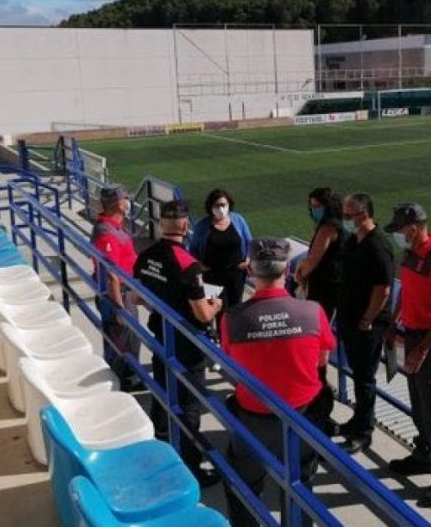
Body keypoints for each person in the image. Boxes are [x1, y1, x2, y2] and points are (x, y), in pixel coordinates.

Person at [221, 237, 336, 527]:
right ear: (286, 270)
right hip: (302, 417)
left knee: (244, 488)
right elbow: (322, 359)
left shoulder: (232, 318)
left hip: (252, 418)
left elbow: (230, 366)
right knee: (299, 488)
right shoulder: (313, 311)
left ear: (251, 271)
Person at [133, 199, 224, 487]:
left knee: (162, 392)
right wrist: (216, 304)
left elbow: (138, 296)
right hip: (187, 345)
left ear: (162, 224)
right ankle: (189, 469)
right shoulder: (188, 264)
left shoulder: (145, 256)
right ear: (186, 226)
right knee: (189, 406)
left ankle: (161, 448)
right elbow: (203, 313)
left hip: (160, 336)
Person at [383, 202, 431, 508]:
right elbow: (406, 291)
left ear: (413, 229)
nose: (398, 236)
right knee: (419, 407)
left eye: (400, 230)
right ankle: (426, 454)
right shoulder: (411, 255)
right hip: (413, 339)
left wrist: (423, 349)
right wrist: (394, 321)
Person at [335, 193, 394, 454]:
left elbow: (383, 289)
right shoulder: (353, 241)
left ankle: (364, 431)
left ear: (364, 215)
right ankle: (358, 420)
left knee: (365, 378)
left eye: (348, 216)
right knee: (357, 374)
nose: (345, 220)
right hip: (350, 318)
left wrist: (368, 319)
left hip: (366, 324)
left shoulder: (377, 245)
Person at [91, 185, 141, 389]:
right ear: (118, 203)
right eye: (125, 198)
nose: (127, 202)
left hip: (122, 292)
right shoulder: (107, 234)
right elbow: (111, 275)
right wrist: (119, 308)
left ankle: (128, 379)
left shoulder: (114, 227)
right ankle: (124, 383)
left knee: (127, 339)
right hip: (117, 295)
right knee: (123, 340)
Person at [189, 188, 252, 309]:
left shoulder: (238, 220)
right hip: (213, 276)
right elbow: (192, 250)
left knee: (235, 309)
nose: (220, 208)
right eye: (216, 205)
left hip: (236, 275)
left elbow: (250, 242)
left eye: (223, 205)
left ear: (229, 204)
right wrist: (200, 266)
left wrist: (248, 259)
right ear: (210, 207)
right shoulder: (202, 225)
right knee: (218, 310)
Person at [295, 187, 344, 318]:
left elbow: (313, 259)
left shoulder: (327, 227)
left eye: (317, 206)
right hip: (334, 284)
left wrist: (300, 275)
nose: (313, 209)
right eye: (311, 206)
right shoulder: (340, 224)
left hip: (323, 287)